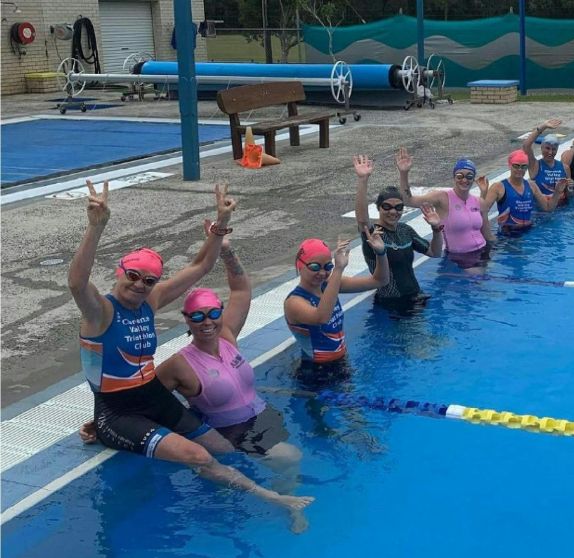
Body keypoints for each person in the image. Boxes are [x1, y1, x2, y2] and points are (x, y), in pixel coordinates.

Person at [70, 180, 312, 519]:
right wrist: (96, 226)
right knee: (199, 456)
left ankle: (219, 497)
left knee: (223, 448)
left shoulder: (148, 302)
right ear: (120, 272)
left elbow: (200, 267)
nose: (140, 285)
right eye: (134, 276)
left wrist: (220, 224)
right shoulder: (101, 313)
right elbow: (77, 283)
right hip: (118, 411)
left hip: (153, 397)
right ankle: (271, 498)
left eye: (149, 280)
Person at [284, 234, 389, 373]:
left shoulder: (329, 285)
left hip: (340, 364)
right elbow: (321, 317)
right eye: (314, 267)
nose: (322, 273)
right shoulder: (294, 302)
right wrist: (338, 269)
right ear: (300, 265)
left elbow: (380, 281)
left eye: (328, 266)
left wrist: (381, 253)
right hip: (315, 373)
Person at [352, 154, 443, 311]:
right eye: (387, 207)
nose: (393, 211)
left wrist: (435, 229)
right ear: (378, 207)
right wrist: (362, 180)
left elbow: (434, 252)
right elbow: (362, 220)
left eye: (398, 207)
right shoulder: (373, 235)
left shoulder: (405, 230)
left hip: (416, 297)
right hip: (391, 304)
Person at [396, 147, 494, 270]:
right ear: (454, 177)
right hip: (459, 258)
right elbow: (408, 201)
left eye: (469, 176)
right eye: (459, 176)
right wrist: (404, 173)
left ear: (473, 179)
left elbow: (488, 235)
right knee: (479, 284)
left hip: (483, 252)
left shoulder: (478, 201)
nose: (464, 180)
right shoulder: (442, 198)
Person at [479, 149, 565, 234]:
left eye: (524, 166)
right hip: (508, 235)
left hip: (529, 232)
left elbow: (548, 208)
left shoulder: (532, 186)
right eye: (516, 166)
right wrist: (483, 193)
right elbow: (481, 212)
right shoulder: (498, 187)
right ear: (509, 165)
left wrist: (557, 192)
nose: (520, 169)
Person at [522, 118, 573, 206]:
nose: (550, 152)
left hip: (561, 211)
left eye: (553, 149)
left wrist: (570, 188)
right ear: (541, 148)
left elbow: (570, 195)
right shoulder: (535, 165)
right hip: (541, 212)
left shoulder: (565, 168)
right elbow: (526, 146)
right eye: (547, 148)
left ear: (557, 150)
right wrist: (543, 127)